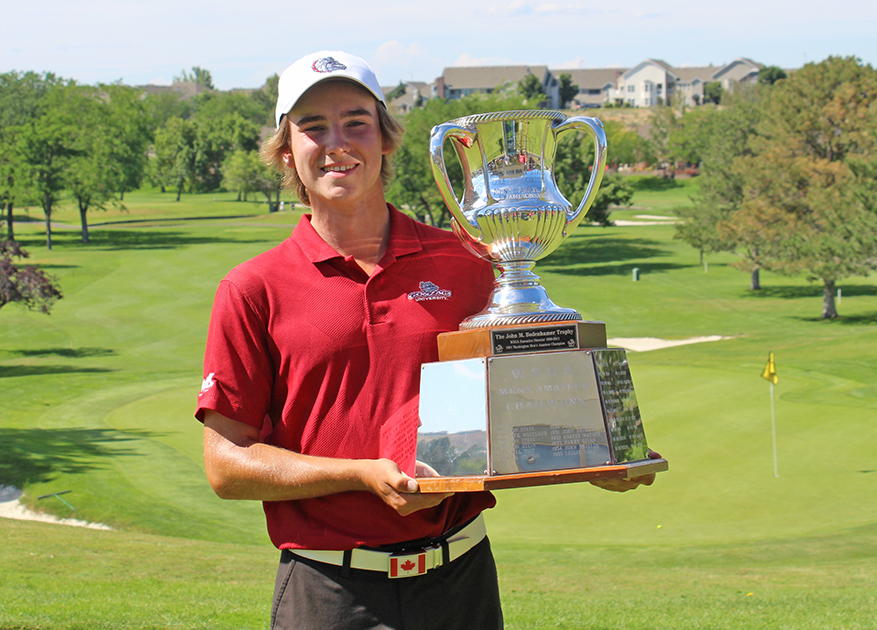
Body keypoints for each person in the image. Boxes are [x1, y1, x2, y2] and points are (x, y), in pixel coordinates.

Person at [195, 50, 654, 630]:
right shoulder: (252, 288)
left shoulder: (469, 260)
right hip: (329, 591)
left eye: (356, 122)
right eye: (313, 127)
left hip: (460, 581)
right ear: (287, 150)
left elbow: (519, 398)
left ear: (386, 137)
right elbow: (227, 466)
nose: (337, 143)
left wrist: (593, 453)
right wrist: (360, 475)